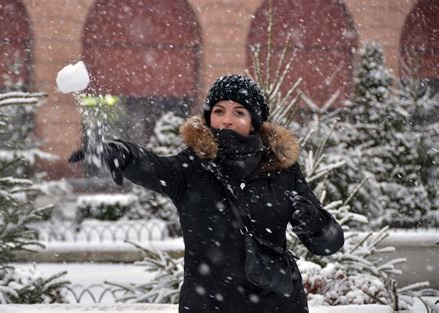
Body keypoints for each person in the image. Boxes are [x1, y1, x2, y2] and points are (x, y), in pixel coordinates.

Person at [69, 74, 344, 312]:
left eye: (239, 112)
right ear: (209, 116)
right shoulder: (191, 168)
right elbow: (153, 166)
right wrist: (124, 154)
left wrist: (314, 221)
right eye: (219, 111)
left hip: (276, 304)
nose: (226, 120)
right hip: (208, 304)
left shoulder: (282, 170)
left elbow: (328, 244)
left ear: (254, 121)